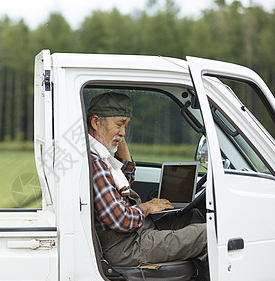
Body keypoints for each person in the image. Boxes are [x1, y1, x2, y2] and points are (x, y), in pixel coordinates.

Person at [88, 92, 208, 269]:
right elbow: (121, 220)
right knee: (208, 234)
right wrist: (148, 207)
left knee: (194, 216)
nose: (123, 132)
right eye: (120, 124)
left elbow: (127, 174)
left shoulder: (102, 154)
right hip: (126, 247)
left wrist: (115, 136)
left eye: (126, 126)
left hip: (137, 232)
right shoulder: (96, 163)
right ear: (96, 122)